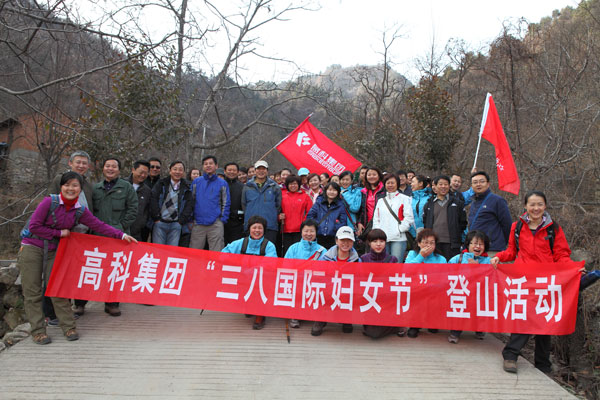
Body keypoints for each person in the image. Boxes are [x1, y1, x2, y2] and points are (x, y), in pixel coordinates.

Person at [20, 172, 137, 344]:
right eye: (67, 185)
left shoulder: (79, 210)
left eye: (75, 185)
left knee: (58, 288)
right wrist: (59, 233)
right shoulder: (49, 202)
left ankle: (68, 327)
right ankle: (38, 331)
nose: (70, 189)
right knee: (32, 292)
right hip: (33, 247)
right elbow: (34, 226)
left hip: (54, 250)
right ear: (61, 187)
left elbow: (98, 225)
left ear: (80, 189)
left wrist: (121, 235)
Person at [491, 191, 573, 374]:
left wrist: (573, 270)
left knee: (545, 321)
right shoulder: (517, 227)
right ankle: (511, 355)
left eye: (540, 204)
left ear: (545, 206)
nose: (536, 208)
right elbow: (511, 251)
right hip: (524, 281)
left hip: (546, 282)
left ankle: (542, 363)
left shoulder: (553, 229)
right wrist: (499, 257)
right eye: (532, 204)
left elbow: (561, 254)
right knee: (525, 317)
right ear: (526, 206)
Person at [79, 157, 137, 317]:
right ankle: (79, 303)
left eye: (114, 166)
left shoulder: (126, 187)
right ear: (103, 169)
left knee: (114, 271)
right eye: (107, 166)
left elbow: (133, 209)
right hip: (96, 237)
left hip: (118, 237)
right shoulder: (94, 188)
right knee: (90, 269)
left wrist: (121, 227)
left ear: (119, 170)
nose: (110, 169)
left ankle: (112, 303)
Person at [46, 150, 94, 323]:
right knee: (57, 273)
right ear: (70, 163)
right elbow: (49, 204)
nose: (81, 165)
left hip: (82, 236)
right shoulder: (60, 181)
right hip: (62, 234)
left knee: (74, 274)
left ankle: (69, 308)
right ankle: (52, 313)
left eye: (84, 163)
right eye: (78, 162)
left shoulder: (88, 185)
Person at [222, 215, 277, 330]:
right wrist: (236, 262)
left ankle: (260, 315)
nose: (257, 230)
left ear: (264, 230)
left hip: (261, 279)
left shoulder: (269, 246)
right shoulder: (241, 243)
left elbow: (272, 263)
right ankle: (249, 306)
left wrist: (253, 269)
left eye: (260, 228)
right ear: (249, 229)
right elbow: (223, 254)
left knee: (260, 286)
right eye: (254, 227)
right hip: (243, 278)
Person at [312, 226, 361, 336]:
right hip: (329, 288)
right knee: (319, 291)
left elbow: (360, 279)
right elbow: (319, 276)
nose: (345, 243)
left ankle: (346, 319)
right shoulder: (325, 257)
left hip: (347, 290)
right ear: (336, 240)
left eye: (349, 240)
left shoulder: (357, 259)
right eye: (343, 240)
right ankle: (320, 320)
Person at [447, 230, 491, 344]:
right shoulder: (458, 258)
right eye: (474, 243)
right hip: (461, 292)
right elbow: (446, 273)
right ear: (468, 245)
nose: (477, 247)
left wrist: (478, 269)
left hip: (479, 293)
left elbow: (492, 278)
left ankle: (479, 329)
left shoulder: (489, 261)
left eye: (481, 244)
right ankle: (455, 332)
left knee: (481, 307)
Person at [284, 219, 326, 328]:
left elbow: (326, 270)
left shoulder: (323, 251)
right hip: (297, 281)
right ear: (301, 232)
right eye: (306, 231)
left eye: (311, 231)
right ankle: (295, 314)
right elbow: (286, 267)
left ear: (316, 232)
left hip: (314, 282)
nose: (308, 234)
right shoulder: (293, 248)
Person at [360, 228, 402, 338]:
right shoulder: (363, 259)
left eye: (382, 241)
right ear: (369, 243)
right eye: (374, 241)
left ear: (385, 242)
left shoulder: (393, 259)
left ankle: (394, 325)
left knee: (375, 333)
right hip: (370, 300)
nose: (378, 244)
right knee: (372, 333)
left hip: (387, 301)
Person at [405, 228, 447, 338]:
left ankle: (431, 321)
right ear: (419, 243)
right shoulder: (412, 254)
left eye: (432, 243)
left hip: (433, 291)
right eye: (425, 242)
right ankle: (415, 325)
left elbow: (444, 278)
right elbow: (406, 271)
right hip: (415, 289)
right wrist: (421, 256)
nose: (429, 245)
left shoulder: (440, 259)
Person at [189, 156, 230, 251]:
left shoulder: (222, 183)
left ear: (216, 166)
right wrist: (191, 218)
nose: (208, 166)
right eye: (206, 164)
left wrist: (222, 219)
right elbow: (191, 200)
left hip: (216, 223)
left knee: (216, 251)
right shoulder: (196, 182)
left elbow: (226, 202)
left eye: (210, 163)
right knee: (194, 252)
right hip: (198, 223)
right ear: (203, 166)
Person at [468, 171, 513, 256]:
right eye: (475, 182)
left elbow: (507, 225)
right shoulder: (474, 202)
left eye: (482, 181)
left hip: (493, 249)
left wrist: (501, 242)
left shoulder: (497, 200)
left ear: (488, 184)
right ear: (471, 186)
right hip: (475, 249)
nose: (478, 184)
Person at [422, 175, 466, 260]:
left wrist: (456, 233)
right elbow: (425, 222)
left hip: (452, 243)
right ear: (435, 186)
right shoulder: (429, 205)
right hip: (433, 243)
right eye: (440, 184)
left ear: (449, 186)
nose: (443, 187)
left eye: (446, 184)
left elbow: (463, 223)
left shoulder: (457, 203)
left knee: (451, 269)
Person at [150, 160, 193, 247]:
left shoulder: (187, 187)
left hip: (176, 224)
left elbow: (189, 205)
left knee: (171, 251)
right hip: (160, 222)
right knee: (157, 250)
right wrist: (156, 218)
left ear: (183, 172)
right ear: (170, 171)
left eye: (180, 170)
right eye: (175, 169)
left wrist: (181, 221)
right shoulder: (161, 183)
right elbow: (153, 199)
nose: (177, 172)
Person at [372, 174, 414, 262]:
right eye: (388, 183)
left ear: (397, 184)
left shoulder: (405, 199)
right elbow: (376, 219)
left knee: (396, 264)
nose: (390, 185)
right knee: (383, 264)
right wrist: (377, 233)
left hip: (399, 238)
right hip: (383, 238)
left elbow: (409, 217)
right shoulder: (381, 201)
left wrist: (400, 229)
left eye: (392, 183)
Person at [242, 160, 281, 244]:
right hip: (251, 226)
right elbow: (244, 204)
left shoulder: (274, 187)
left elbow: (278, 206)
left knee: (268, 252)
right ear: (255, 170)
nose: (261, 171)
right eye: (258, 169)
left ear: (267, 171)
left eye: (263, 169)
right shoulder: (247, 186)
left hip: (269, 226)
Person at [306, 182, 347, 250]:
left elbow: (343, 222)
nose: (332, 192)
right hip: (318, 236)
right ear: (326, 191)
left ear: (338, 192)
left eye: (334, 190)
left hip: (332, 237)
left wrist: (333, 227)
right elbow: (310, 216)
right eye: (330, 190)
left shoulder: (340, 205)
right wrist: (317, 225)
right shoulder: (319, 202)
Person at [279, 175, 312, 255]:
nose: (293, 186)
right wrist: (279, 216)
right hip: (285, 230)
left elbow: (310, 212)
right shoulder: (282, 196)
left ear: (299, 184)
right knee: (287, 252)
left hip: (300, 230)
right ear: (287, 185)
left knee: (300, 252)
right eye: (290, 184)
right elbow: (277, 210)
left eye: (295, 183)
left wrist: (304, 223)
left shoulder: (305, 196)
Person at [356, 167, 385, 243]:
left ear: (379, 176)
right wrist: (359, 223)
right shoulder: (363, 192)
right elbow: (361, 210)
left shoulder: (384, 190)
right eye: (369, 175)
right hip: (367, 224)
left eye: (374, 174)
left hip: (382, 223)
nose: (372, 176)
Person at [127, 160, 152, 242]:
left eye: (146, 173)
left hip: (136, 232)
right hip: (119, 230)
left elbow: (146, 210)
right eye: (141, 172)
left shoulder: (147, 191)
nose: (143, 175)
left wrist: (142, 223)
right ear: (133, 170)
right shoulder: (122, 184)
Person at [224, 162, 245, 245]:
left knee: (236, 246)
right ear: (225, 171)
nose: (231, 172)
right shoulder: (220, 184)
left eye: (234, 170)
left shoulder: (242, 187)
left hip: (237, 222)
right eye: (229, 170)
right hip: (221, 222)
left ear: (237, 172)